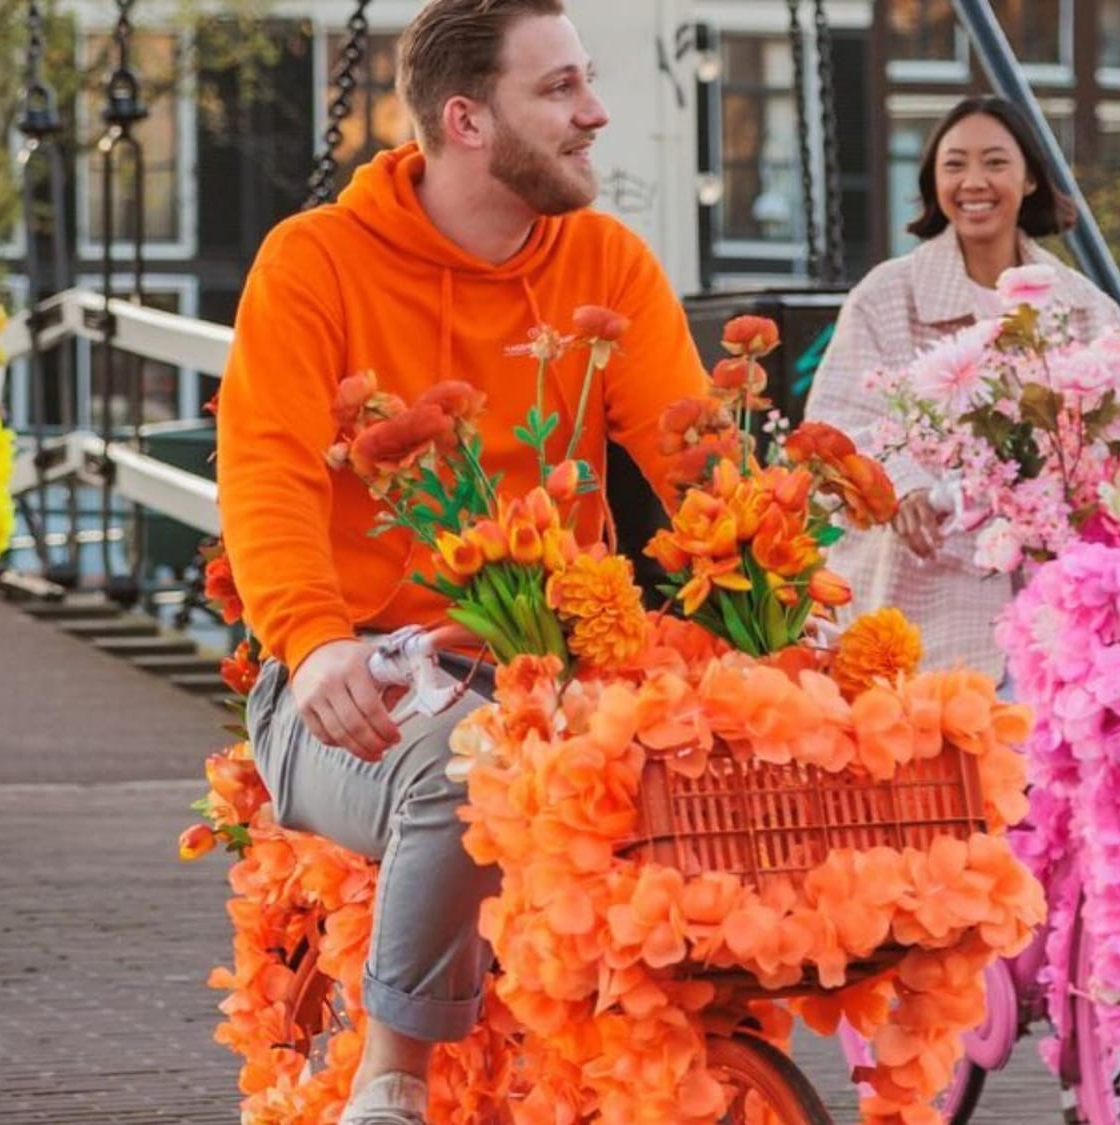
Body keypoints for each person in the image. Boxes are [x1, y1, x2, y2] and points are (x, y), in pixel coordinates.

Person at [216, 2, 709, 1122]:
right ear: (465, 119)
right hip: (354, 692)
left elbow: (696, 464)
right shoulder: (314, 263)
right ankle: (389, 1084)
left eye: (586, 81)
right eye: (559, 90)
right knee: (470, 764)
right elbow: (267, 472)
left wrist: (784, 595)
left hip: (561, 675)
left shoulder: (603, 263)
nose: (594, 114)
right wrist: (312, 642)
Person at [805, 95, 1120, 682]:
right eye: (954, 164)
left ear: (1029, 177)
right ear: (932, 180)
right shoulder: (886, 295)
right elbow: (838, 425)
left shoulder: (1083, 307)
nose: (974, 181)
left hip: (1051, 608)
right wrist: (902, 489)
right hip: (921, 596)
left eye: (995, 162)